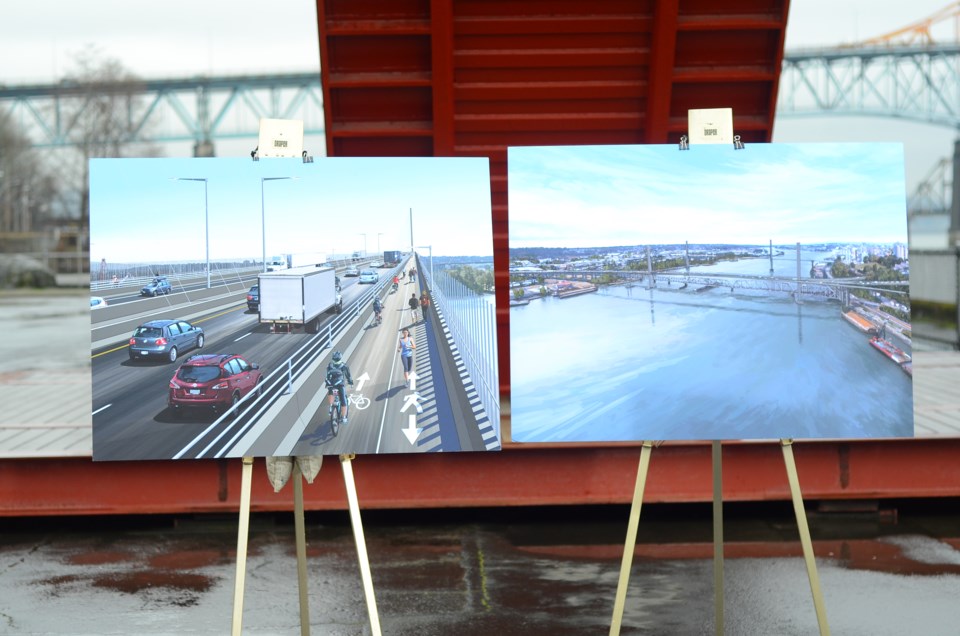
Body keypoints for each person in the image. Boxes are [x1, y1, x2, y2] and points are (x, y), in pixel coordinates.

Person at [325, 350, 354, 424]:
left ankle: (331, 407)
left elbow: (327, 375)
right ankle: (344, 418)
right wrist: (350, 382)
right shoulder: (344, 366)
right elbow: (348, 376)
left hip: (331, 384)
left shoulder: (329, 365)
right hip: (340, 385)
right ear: (340, 358)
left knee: (331, 392)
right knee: (343, 400)